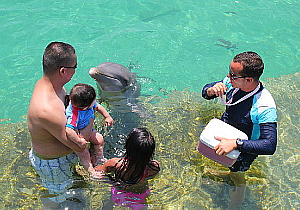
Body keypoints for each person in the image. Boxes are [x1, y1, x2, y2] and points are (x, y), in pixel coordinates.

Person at [202, 51, 277, 208]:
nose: (228, 77)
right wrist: (211, 90)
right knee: (224, 160)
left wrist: (236, 144)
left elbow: (270, 145)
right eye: (229, 72)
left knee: (237, 173)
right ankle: (225, 171)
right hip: (227, 132)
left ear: (248, 80)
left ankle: (235, 205)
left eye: (233, 75)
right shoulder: (232, 83)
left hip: (243, 148)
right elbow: (205, 92)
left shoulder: (264, 106)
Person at [27, 42, 86, 204]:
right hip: (53, 165)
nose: (75, 71)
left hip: (53, 153)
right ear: (63, 71)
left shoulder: (51, 85)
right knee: (58, 197)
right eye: (75, 67)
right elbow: (77, 145)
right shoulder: (48, 108)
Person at [95, 128, 160, 209]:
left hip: (119, 194)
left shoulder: (116, 164)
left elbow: (97, 172)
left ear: (127, 146)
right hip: (140, 196)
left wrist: (111, 180)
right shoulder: (154, 168)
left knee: (108, 206)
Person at [65, 83, 114, 178]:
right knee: (84, 153)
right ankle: (91, 171)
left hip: (88, 128)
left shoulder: (87, 103)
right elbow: (68, 130)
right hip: (78, 133)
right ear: (85, 107)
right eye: (93, 101)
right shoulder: (74, 115)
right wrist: (78, 141)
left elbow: (98, 107)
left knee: (99, 139)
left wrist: (107, 116)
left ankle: (100, 158)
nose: (95, 102)